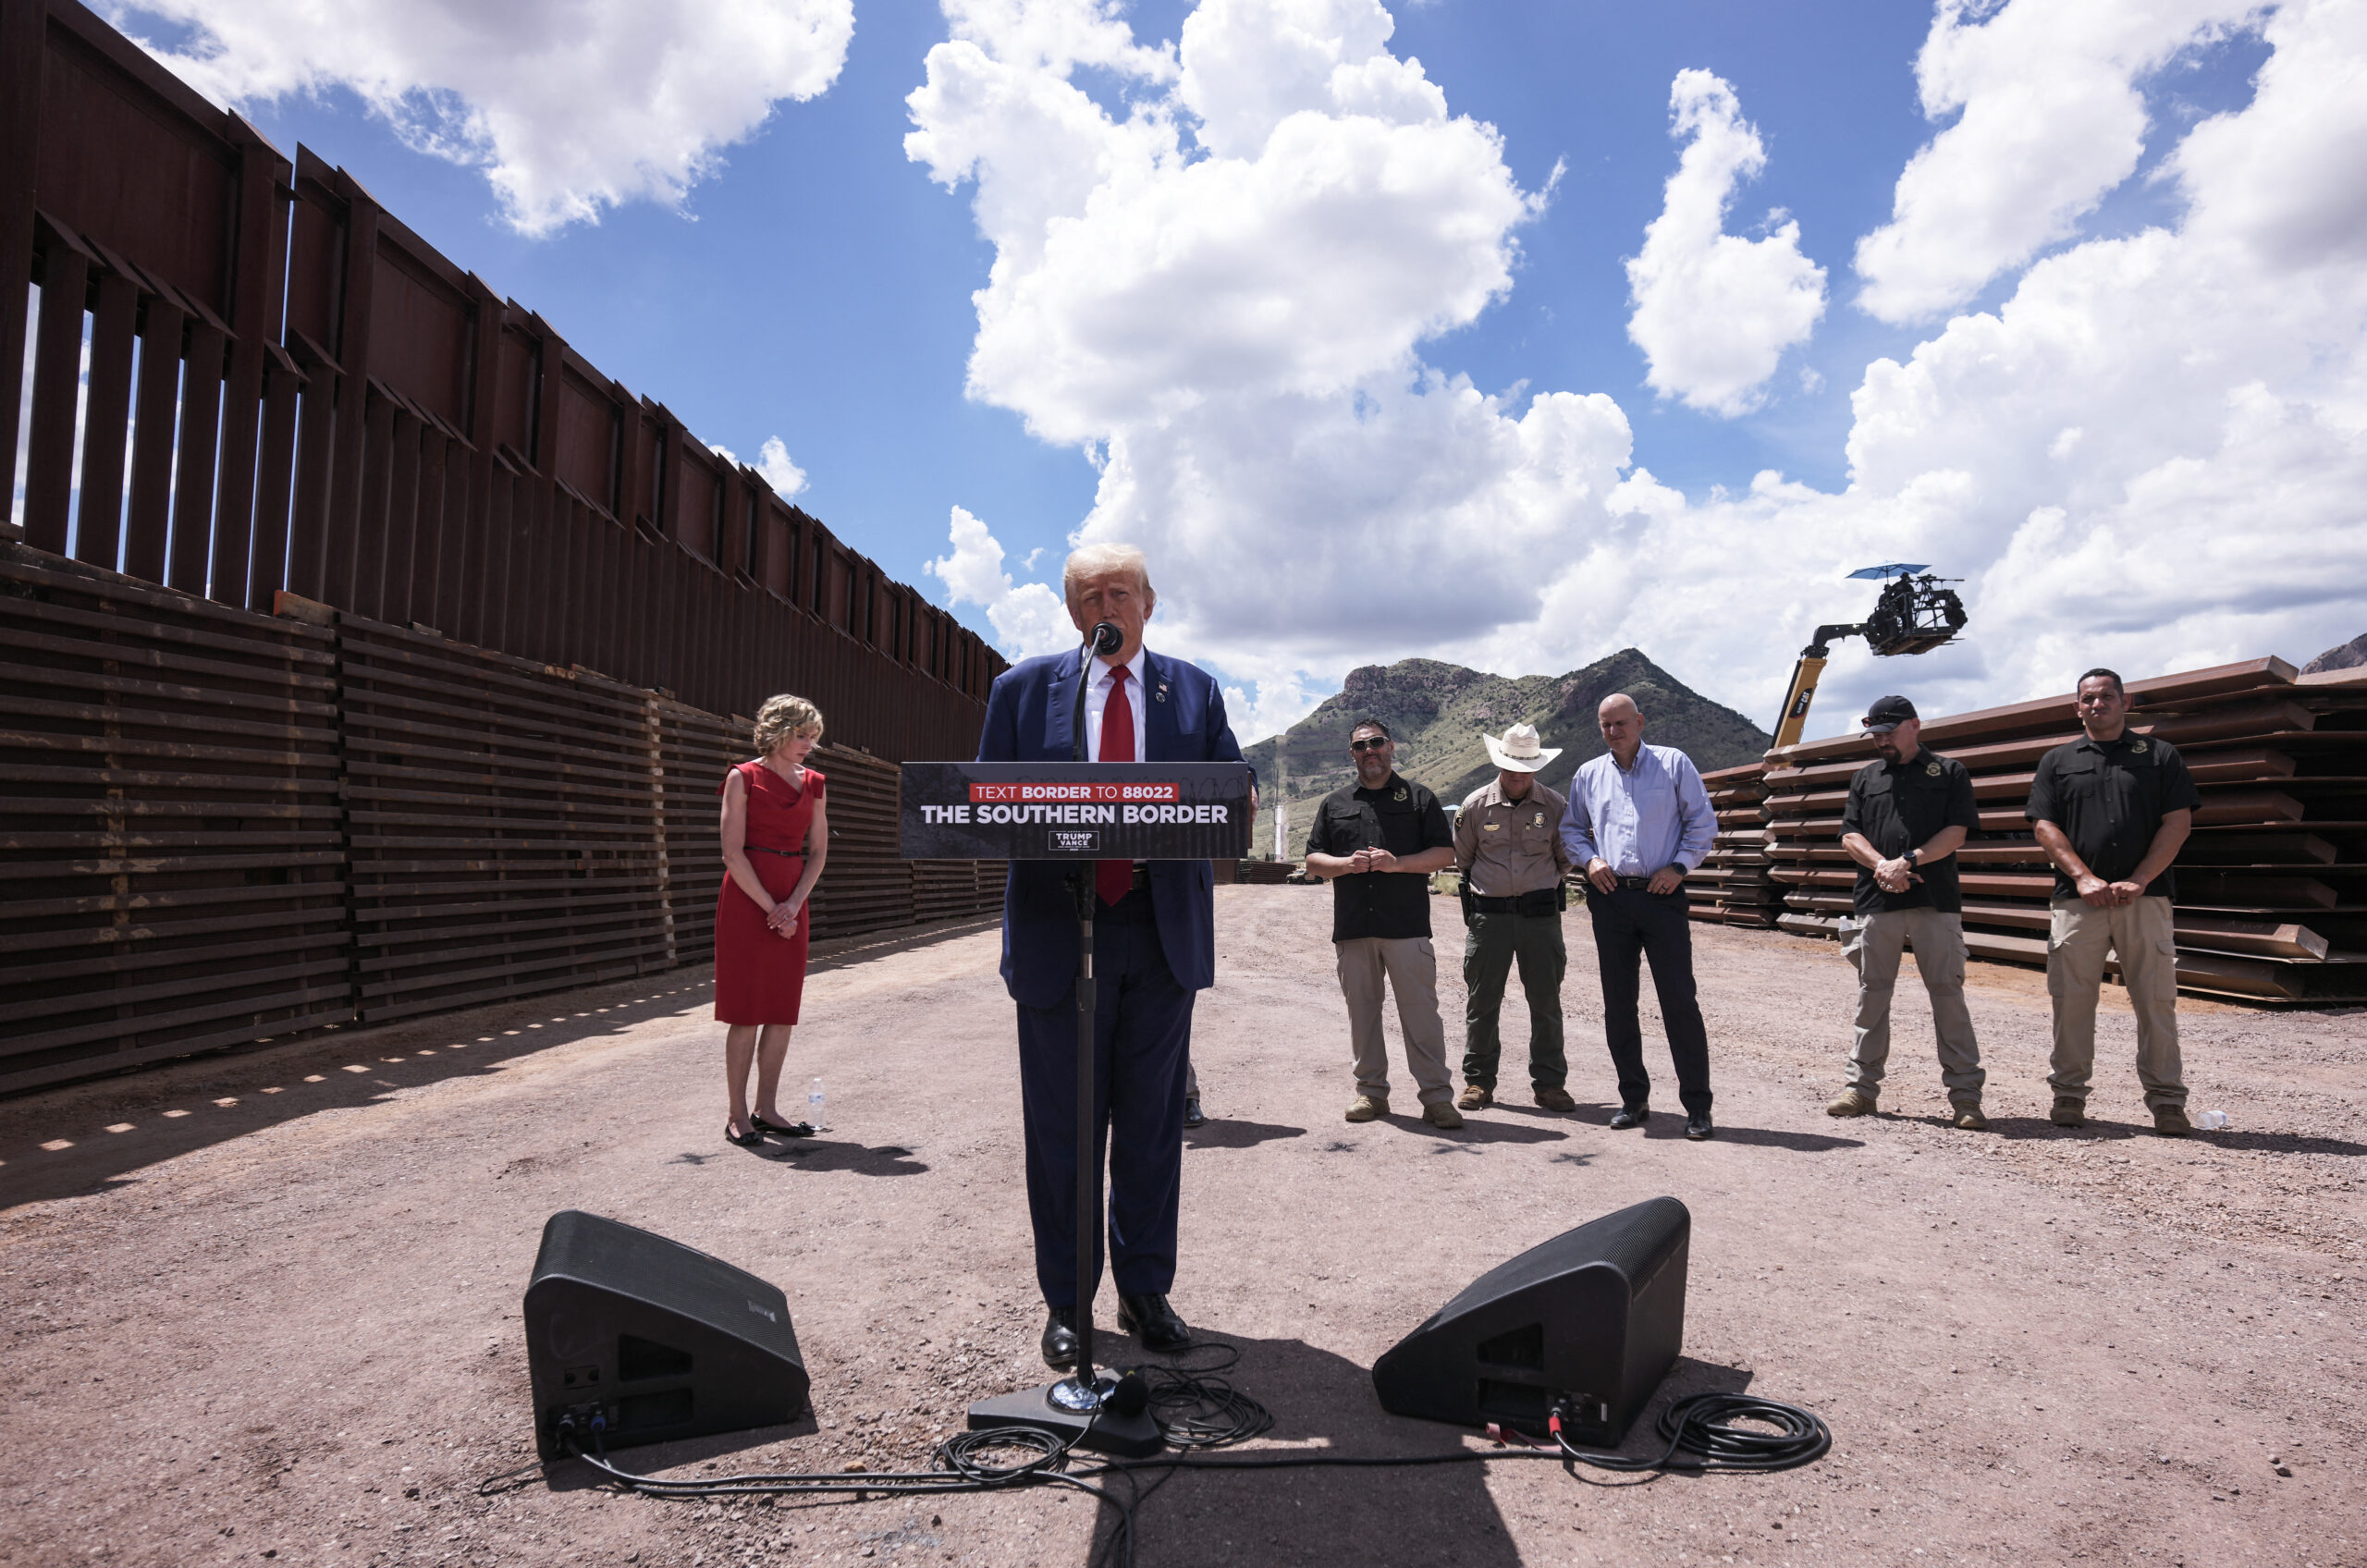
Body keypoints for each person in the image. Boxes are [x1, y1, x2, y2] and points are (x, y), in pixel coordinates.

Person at [975, 542, 1252, 1370]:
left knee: (1149, 1127)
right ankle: (1068, 1304)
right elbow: (987, 805)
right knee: (1061, 1132)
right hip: (1062, 929)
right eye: (1091, 596)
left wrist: (1223, 796)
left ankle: (1143, 1291)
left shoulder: (1194, 691)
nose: (1108, 607)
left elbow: (1230, 793)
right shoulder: (1022, 691)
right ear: (1073, 614)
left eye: (1121, 593)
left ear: (1149, 603)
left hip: (1160, 934)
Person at [2027, 668, 2200, 1135]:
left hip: (2145, 899)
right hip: (2078, 901)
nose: (2096, 704)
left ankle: (2167, 1102)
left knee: (2156, 1001)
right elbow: (2045, 827)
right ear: (2077, 707)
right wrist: (2083, 878)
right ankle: (2068, 1097)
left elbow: (2177, 822)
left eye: (2106, 696)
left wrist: (2141, 879)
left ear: (2125, 702)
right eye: (2088, 699)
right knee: (2072, 1001)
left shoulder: (2159, 756)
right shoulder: (2058, 761)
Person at [1822, 696, 1988, 1129]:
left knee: (1947, 996)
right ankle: (1860, 1090)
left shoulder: (1949, 773)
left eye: (1889, 733)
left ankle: (1966, 1097)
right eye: (1876, 735)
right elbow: (1849, 836)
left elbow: (1956, 833)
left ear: (1915, 725)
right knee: (1872, 995)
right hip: (1878, 899)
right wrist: (1882, 865)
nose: (1882, 742)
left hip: (1935, 900)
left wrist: (1909, 861)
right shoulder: (1866, 777)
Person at [1560, 692, 1718, 1140]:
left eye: (1621, 723)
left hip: (1661, 894)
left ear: (1640, 722)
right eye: (1605, 725)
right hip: (1611, 899)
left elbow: (1701, 823)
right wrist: (1589, 861)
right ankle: (1634, 1098)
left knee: (1679, 1002)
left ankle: (1698, 1107)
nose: (1613, 732)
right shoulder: (1588, 775)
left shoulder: (1673, 764)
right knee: (1619, 1003)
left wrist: (1680, 866)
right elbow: (1572, 828)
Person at [1304, 720, 1464, 1129]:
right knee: (1363, 1013)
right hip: (1355, 927)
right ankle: (1371, 1093)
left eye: (1376, 743)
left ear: (1391, 747)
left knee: (1421, 1014)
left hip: (1406, 926)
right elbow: (1313, 861)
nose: (1369, 750)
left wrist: (1399, 865)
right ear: (1352, 754)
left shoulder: (1419, 798)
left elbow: (1445, 854)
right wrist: (1345, 865)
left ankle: (1437, 1098)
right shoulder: (1334, 803)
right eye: (1361, 746)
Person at [715, 694, 829, 1148]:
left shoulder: (816, 783)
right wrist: (771, 908)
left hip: (792, 896)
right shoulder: (742, 778)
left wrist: (794, 904)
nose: (809, 745)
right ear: (779, 730)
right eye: (802, 735)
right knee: (746, 1012)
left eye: (813, 737)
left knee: (781, 1011)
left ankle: (767, 1108)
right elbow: (731, 851)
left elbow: (818, 851)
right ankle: (737, 1114)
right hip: (747, 898)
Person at [1453, 724, 1575, 1113]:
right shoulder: (1474, 807)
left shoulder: (1556, 806)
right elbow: (1464, 860)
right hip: (1490, 919)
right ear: (1499, 764)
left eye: (1525, 769)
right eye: (1510, 768)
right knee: (1482, 1001)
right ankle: (1478, 1081)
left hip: (1540, 917)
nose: (1518, 776)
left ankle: (1550, 1084)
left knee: (1546, 1001)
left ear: (1536, 768)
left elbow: (1565, 858)